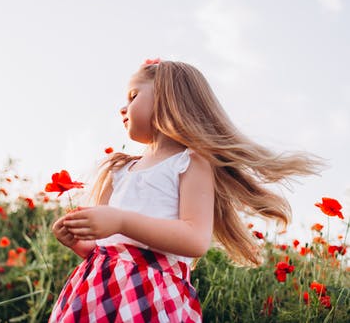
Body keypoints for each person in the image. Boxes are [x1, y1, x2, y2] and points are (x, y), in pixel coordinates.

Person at [49, 59, 321, 323]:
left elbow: (195, 239)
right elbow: (109, 252)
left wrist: (119, 220)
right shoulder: (119, 170)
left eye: (133, 96)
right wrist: (79, 243)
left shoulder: (190, 162)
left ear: (169, 98)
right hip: (96, 291)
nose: (123, 107)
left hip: (150, 295)